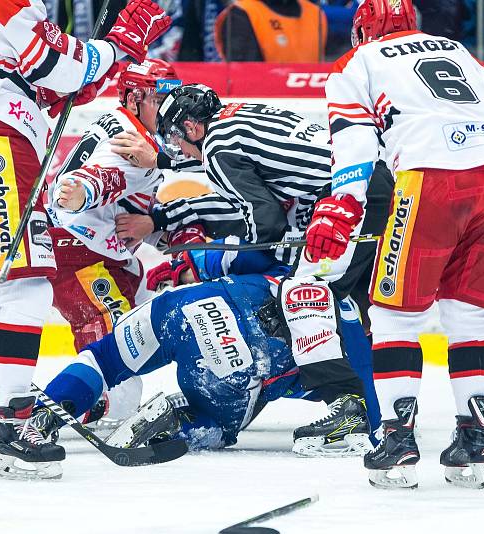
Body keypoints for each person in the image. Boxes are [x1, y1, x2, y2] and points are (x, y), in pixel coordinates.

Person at [0, 0, 171, 480]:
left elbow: (31, 74)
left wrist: (78, 73)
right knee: (29, 286)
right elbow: (59, 64)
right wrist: (116, 47)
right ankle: (13, 421)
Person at [311, 0, 484, 489]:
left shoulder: (356, 62)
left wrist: (342, 205)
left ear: (362, 28)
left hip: (430, 183)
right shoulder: (463, 53)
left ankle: (398, 441)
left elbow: (355, 139)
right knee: (473, 320)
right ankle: (473, 443)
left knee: (396, 316)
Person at [111, 84, 393, 437]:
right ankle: (379, 405)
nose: (175, 148)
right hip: (368, 183)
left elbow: (267, 220)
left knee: (305, 294)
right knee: (348, 302)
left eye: (173, 138)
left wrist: (257, 252)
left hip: (346, 198)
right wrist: (164, 162)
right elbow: (253, 199)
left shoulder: (216, 145)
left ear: (192, 127)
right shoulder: (238, 116)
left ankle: (353, 408)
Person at [30, 245, 374, 456]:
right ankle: (175, 418)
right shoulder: (350, 327)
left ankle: (45, 414)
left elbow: (237, 256)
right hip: (239, 353)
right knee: (218, 425)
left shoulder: (296, 269)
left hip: (180, 305)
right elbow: (370, 408)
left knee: (101, 358)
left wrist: (186, 264)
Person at [34, 58, 185, 431]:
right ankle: (72, 408)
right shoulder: (132, 141)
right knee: (116, 339)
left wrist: (156, 230)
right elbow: (104, 176)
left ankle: (96, 402)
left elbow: (130, 203)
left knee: (141, 328)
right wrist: (82, 192)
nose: (168, 108)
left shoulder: (120, 122)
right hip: (78, 249)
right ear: (135, 99)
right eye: (159, 98)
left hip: (98, 251)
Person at [213, 0, 327, 62]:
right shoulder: (242, 13)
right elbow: (246, 76)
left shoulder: (315, 12)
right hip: (267, 99)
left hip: (314, 98)